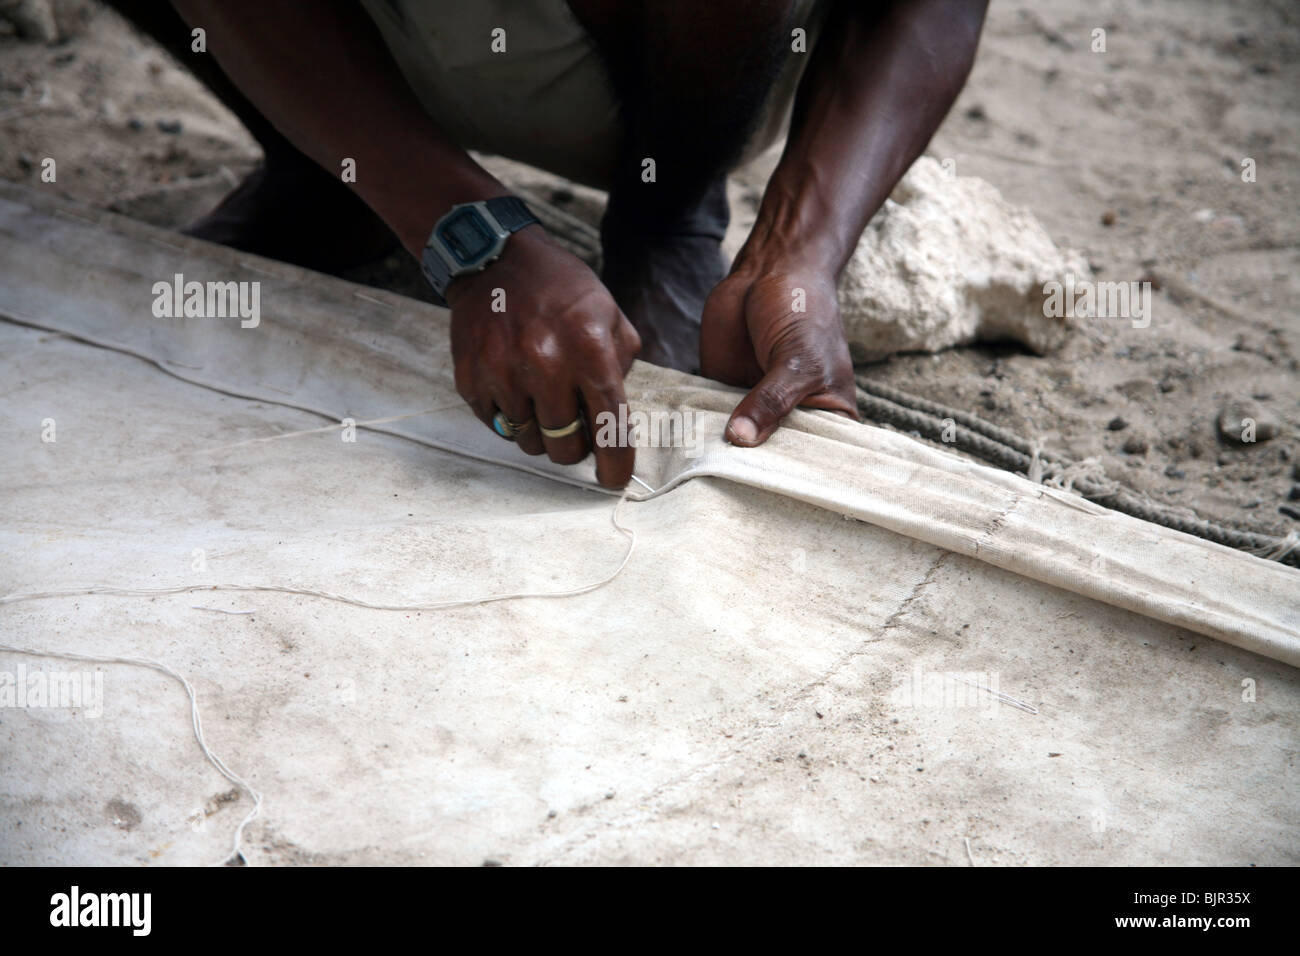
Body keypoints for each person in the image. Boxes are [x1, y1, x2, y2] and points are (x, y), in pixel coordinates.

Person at [108, 0, 987, 488]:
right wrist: (467, 233)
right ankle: (334, 167)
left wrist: (798, 249)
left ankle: (665, 215)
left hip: (664, 67)